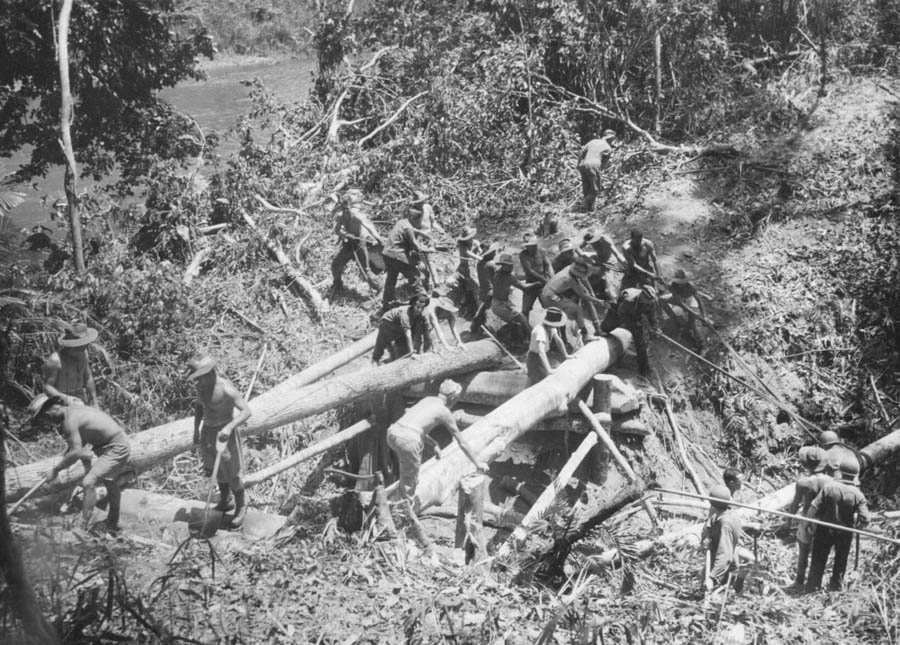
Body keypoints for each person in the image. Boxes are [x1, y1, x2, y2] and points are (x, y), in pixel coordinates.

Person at [31, 394, 131, 533]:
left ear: (48, 414)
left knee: (88, 482)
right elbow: (80, 442)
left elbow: (76, 452)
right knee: (110, 480)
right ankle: (113, 521)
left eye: (44, 420)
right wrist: (71, 457)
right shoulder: (73, 410)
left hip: (115, 447)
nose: (47, 424)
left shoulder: (69, 421)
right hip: (114, 443)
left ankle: (83, 526)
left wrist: (55, 470)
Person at [386, 379, 488, 511]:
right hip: (408, 440)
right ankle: (402, 514)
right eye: (457, 398)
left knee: (407, 473)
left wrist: (433, 443)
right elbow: (461, 442)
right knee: (409, 483)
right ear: (452, 398)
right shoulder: (443, 411)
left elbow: (415, 425)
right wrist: (477, 463)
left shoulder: (428, 399)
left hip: (393, 432)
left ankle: (392, 497)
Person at [188, 354, 253, 530]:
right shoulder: (201, 388)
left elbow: (246, 412)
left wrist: (229, 427)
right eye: (198, 377)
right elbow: (199, 408)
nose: (200, 380)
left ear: (211, 372)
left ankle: (241, 507)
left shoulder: (226, 389)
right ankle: (225, 501)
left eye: (202, 376)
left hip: (225, 434)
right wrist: (196, 430)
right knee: (214, 470)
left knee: (232, 471)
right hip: (207, 433)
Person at [804, 462, 870, 592]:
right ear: (855, 476)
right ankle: (835, 588)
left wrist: (807, 523)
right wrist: (859, 526)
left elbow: (813, 507)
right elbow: (866, 519)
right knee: (841, 560)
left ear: (840, 472)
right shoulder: (858, 494)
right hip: (845, 532)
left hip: (824, 529)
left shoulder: (829, 487)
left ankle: (812, 587)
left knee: (818, 558)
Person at [784, 446, 832, 590]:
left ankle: (799, 581)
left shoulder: (803, 482)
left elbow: (794, 505)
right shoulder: (831, 482)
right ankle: (814, 582)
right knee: (819, 551)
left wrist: (788, 522)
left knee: (803, 552)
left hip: (806, 519)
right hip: (823, 520)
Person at [540, 257, 607, 342]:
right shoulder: (569, 279)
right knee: (576, 309)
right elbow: (583, 295)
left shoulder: (571, 268)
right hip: (550, 296)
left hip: (551, 292)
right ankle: (585, 335)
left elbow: (584, 281)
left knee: (575, 305)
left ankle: (594, 328)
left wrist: (591, 292)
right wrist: (598, 301)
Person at [329, 192, 384, 294]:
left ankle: (380, 288)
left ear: (350, 206)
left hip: (359, 244)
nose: (346, 210)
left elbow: (369, 227)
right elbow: (337, 230)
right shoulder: (342, 216)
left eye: (347, 207)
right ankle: (338, 284)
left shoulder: (357, 216)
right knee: (336, 264)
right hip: (348, 245)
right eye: (343, 207)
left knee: (365, 270)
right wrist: (345, 235)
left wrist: (378, 239)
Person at [381, 207, 433, 310]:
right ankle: (424, 303)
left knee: (391, 280)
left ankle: (386, 303)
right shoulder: (408, 227)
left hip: (388, 255)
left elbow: (412, 231)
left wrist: (424, 235)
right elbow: (414, 243)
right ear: (413, 218)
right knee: (415, 277)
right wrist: (423, 250)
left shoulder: (401, 222)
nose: (420, 222)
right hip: (398, 256)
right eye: (419, 220)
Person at [601, 284, 659, 376]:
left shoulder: (651, 302)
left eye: (648, 299)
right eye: (645, 298)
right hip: (618, 310)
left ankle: (644, 370)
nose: (646, 300)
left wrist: (655, 327)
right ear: (642, 294)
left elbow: (652, 316)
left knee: (640, 343)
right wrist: (633, 324)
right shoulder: (629, 299)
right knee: (605, 328)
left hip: (635, 315)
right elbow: (621, 314)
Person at [43, 321, 98, 406]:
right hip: (59, 398)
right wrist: (65, 399)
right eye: (81, 344)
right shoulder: (55, 360)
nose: (85, 346)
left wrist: (94, 402)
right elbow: (47, 387)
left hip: (80, 395)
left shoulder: (83, 354)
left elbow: (88, 377)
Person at [373, 293, 436, 365]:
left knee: (405, 349)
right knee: (396, 349)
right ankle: (381, 362)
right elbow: (408, 334)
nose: (419, 310)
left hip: (400, 325)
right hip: (388, 323)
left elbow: (428, 331)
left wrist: (433, 348)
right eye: (417, 307)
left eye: (422, 308)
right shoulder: (404, 314)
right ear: (413, 305)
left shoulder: (422, 314)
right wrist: (412, 353)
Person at [702, 485, 742, 591]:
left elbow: (725, 554)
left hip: (723, 570)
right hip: (718, 563)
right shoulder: (724, 515)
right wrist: (707, 537)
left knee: (713, 599)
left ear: (712, 504)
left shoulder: (726, 523)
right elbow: (710, 523)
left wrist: (712, 577)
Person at [490, 253, 536, 343]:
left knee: (516, 322)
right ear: (503, 266)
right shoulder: (507, 277)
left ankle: (517, 340)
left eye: (512, 266)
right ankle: (533, 341)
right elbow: (524, 287)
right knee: (522, 319)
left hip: (500, 303)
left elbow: (517, 276)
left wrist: (530, 275)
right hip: (500, 305)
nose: (511, 268)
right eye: (509, 266)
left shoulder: (499, 272)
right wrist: (537, 283)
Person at [660, 269, 708, 348]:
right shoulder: (671, 285)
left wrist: (704, 316)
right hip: (679, 299)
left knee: (693, 324)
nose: (682, 284)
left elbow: (699, 300)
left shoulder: (691, 286)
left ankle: (702, 344)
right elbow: (679, 302)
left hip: (689, 299)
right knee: (661, 299)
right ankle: (675, 319)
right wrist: (692, 311)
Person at [526, 307, 570, 385]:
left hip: (542, 356)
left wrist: (566, 355)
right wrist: (548, 370)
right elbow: (541, 352)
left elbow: (558, 340)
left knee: (542, 381)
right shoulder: (541, 331)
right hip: (534, 358)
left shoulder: (550, 328)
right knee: (533, 382)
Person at [578, 129, 616, 211]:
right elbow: (603, 164)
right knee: (595, 189)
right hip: (595, 164)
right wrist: (599, 172)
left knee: (586, 187)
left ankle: (588, 208)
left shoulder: (593, 141)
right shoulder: (608, 148)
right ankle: (584, 205)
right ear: (610, 139)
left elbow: (582, 151)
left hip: (584, 164)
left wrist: (579, 163)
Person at [519, 233, 554, 320]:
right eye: (529, 246)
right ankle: (525, 330)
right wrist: (543, 279)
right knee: (525, 310)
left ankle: (555, 329)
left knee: (551, 308)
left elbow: (548, 265)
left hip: (543, 285)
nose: (532, 247)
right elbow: (529, 271)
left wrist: (552, 278)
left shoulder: (542, 251)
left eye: (533, 245)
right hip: (531, 284)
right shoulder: (523, 255)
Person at [470, 242, 501, 334]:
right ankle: (476, 327)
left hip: (482, 291)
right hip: (490, 291)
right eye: (493, 252)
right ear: (489, 253)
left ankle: (477, 328)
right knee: (485, 311)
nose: (495, 253)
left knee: (483, 310)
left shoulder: (480, 263)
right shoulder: (491, 264)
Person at [455, 226, 482, 318]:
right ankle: (478, 311)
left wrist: (482, 255)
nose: (470, 240)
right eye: (468, 238)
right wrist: (479, 258)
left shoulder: (475, 242)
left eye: (471, 237)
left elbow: (481, 251)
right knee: (476, 287)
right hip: (465, 268)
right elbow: (468, 253)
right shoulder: (462, 245)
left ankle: (479, 306)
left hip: (474, 266)